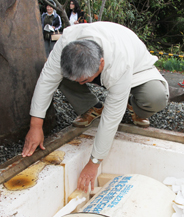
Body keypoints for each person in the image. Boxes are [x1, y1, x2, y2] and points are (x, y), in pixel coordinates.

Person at [22, 22, 169, 192]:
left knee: (155, 97)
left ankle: (132, 105)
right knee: (57, 76)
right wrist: (35, 125)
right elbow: (47, 80)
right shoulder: (65, 45)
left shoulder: (120, 62)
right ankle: (91, 107)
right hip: (99, 68)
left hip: (136, 70)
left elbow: (111, 118)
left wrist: (94, 162)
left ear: (101, 63)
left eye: (84, 81)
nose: (81, 84)